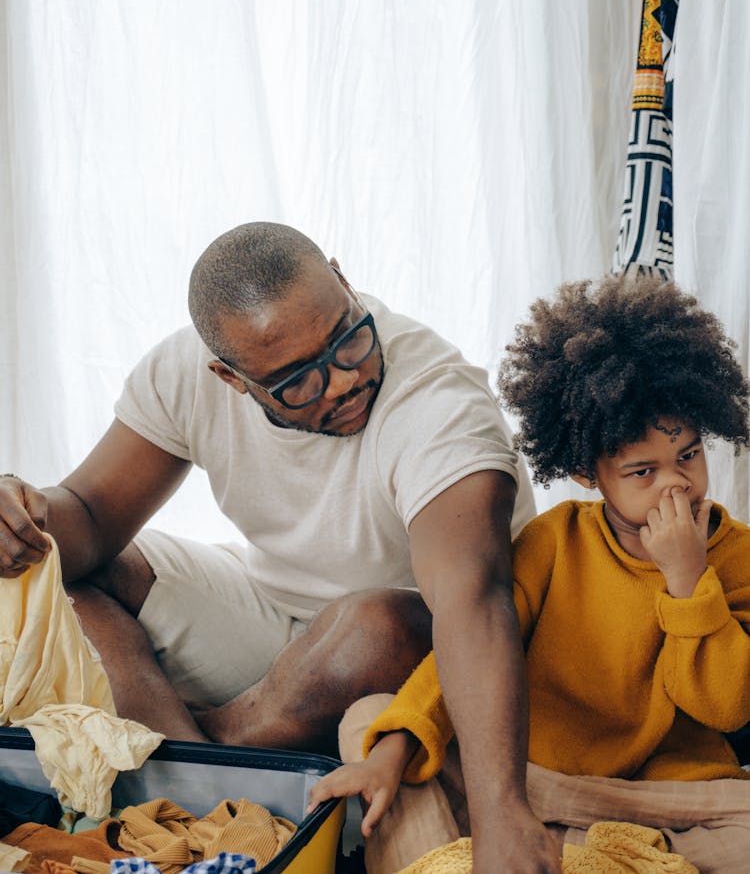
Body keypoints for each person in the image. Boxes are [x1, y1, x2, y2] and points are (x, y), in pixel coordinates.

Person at [0, 221, 562, 873]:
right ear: (230, 378)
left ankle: (181, 763)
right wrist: (22, 511)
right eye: (298, 380)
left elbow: (476, 600)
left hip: (421, 645)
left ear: (343, 278)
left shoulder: (436, 404)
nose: (342, 382)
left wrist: (502, 813)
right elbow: (90, 515)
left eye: (348, 339)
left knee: (374, 625)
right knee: (52, 564)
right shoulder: (186, 374)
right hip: (273, 611)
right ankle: (207, 785)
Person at [308, 274, 750, 869]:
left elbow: (727, 709)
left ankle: (564, 855)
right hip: (533, 780)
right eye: (642, 472)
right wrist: (395, 750)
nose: (676, 482)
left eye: (689, 456)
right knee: (371, 725)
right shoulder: (555, 540)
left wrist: (688, 582)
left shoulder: (735, 554)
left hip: (665, 796)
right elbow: (469, 654)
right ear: (589, 474)